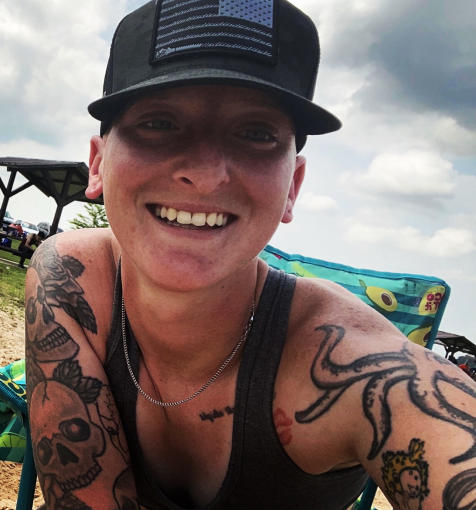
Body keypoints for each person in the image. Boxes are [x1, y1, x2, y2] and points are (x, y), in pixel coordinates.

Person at [25, 2, 476, 509]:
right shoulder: (70, 277)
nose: (206, 174)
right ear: (98, 163)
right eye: (159, 122)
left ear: (292, 188)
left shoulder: (353, 365)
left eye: (256, 133)